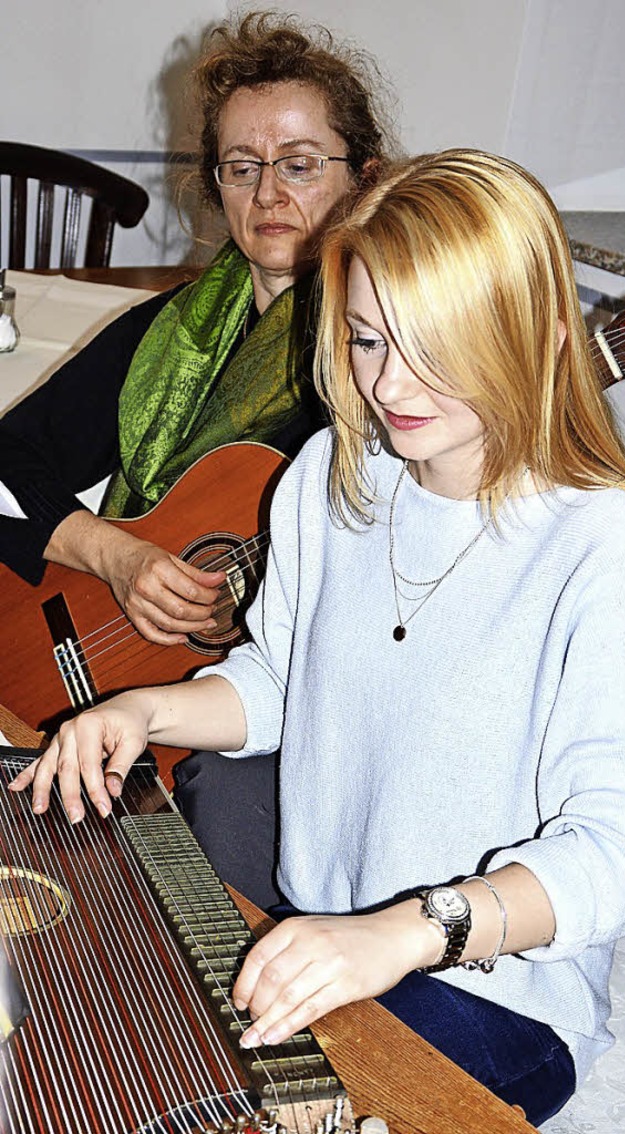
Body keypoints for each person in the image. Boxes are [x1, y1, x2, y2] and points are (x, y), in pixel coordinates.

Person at [12, 149, 625, 1126]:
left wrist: (402, 932)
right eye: (366, 340)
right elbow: (280, 682)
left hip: (494, 989)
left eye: (438, 343)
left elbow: (616, 856)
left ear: (539, 335)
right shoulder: (331, 478)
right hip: (321, 941)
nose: (394, 385)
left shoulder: (603, 544)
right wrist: (141, 708)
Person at [0, 11, 391, 898]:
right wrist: (115, 551)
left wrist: (254, 612)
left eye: (298, 164)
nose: (268, 195)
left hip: (268, 717)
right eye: (242, 168)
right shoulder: (171, 332)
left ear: (364, 178)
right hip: (92, 648)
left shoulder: (398, 363)